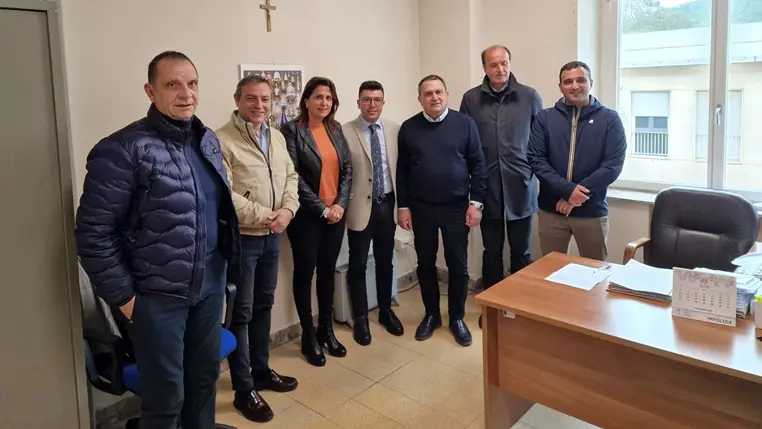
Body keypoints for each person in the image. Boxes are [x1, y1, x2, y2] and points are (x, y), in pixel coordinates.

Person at [75, 51, 240, 429]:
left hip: (209, 288)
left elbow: (214, 211)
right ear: (151, 91)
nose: (186, 93)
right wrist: (127, 300)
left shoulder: (206, 140)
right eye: (172, 84)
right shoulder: (122, 149)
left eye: (192, 83)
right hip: (157, 298)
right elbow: (93, 234)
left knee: (203, 382)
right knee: (166, 398)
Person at [215, 74, 300, 423]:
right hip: (243, 240)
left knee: (264, 305)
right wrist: (268, 216)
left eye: (265, 99)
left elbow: (291, 177)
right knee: (242, 314)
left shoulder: (276, 136)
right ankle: (243, 388)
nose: (259, 105)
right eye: (251, 98)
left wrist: (288, 210)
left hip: (272, 237)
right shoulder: (221, 140)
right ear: (237, 100)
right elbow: (225, 195)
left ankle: (261, 371)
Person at [397, 75, 487, 347]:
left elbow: (478, 165)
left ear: (447, 95)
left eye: (439, 92)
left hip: (456, 207)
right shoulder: (409, 128)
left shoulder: (465, 124)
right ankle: (432, 315)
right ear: (420, 99)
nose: (434, 97)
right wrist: (403, 207)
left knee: (458, 265)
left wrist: (476, 203)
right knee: (425, 264)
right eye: (428, 93)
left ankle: (457, 318)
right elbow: (402, 171)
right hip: (421, 207)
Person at [459, 45, 543, 328]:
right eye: (493, 64)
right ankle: (493, 310)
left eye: (504, 63)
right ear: (484, 68)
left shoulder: (529, 96)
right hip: (487, 190)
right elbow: (465, 145)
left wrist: (530, 172)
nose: (500, 69)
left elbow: (539, 143)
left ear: (510, 63)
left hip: (521, 187)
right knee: (491, 252)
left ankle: (520, 308)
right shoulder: (471, 99)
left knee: (521, 252)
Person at [282, 77, 352, 366]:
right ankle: (308, 335)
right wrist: (322, 209)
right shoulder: (291, 131)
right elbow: (293, 176)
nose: (324, 103)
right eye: (319, 97)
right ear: (306, 100)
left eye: (329, 98)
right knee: (304, 274)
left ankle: (326, 329)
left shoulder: (335, 128)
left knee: (327, 272)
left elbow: (347, 169)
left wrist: (340, 204)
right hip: (307, 217)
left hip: (335, 215)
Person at [527, 61, 626, 261]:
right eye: (568, 81)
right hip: (552, 211)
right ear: (560, 86)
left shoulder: (610, 119)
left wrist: (575, 195)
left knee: (594, 271)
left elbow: (613, 165)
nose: (574, 86)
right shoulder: (544, 118)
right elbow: (536, 159)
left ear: (591, 83)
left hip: (591, 212)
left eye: (580, 80)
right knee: (552, 268)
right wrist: (567, 190)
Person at [342, 80, 404, 346]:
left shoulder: (394, 129)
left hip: (387, 205)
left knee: (385, 261)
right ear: (358, 102)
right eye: (366, 100)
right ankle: (360, 318)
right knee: (357, 265)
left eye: (377, 100)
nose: (372, 105)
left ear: (383, 102)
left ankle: (385, 311)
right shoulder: (345, 131)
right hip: (359, 207)